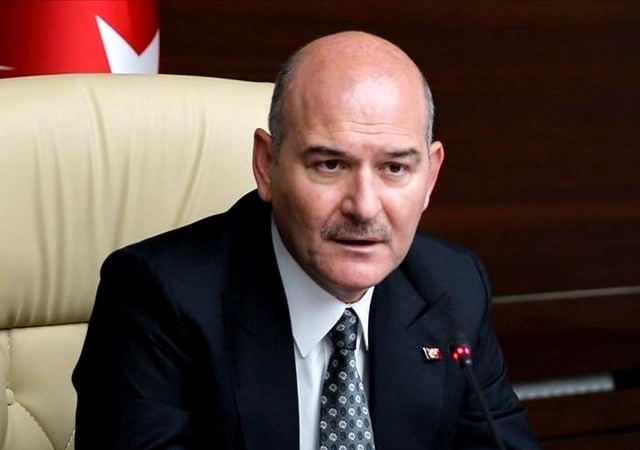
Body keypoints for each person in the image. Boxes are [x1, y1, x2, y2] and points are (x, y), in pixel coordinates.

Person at [73, 31, 540, 450]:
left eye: (394, 168)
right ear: (266, 165)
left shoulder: (451, 288)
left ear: (431, 176)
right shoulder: (158, 297)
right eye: (329, 165)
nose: (364, 207)